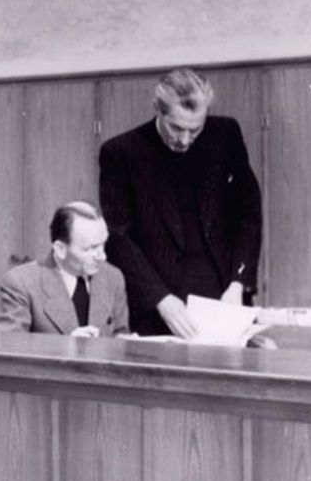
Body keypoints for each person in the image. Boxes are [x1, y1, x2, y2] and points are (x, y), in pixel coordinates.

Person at [98, 69, 262, 338]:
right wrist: (160, 300)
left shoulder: (225, 135)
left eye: (195, 129)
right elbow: (118, 237)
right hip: (158, 302)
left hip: (223, 296)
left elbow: (249, 217)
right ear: (158, 110)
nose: (184, 140)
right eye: (176, 128)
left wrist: (238, 284)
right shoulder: (121, 152)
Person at [0, 202, 129, 337]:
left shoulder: (113, 277)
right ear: (60, 249)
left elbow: (119, 332)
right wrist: (65, 347)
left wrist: (126, 343)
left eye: (103, 244)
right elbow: (8, 347)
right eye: (91, 249)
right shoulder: (20, 283)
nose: (103, 257)